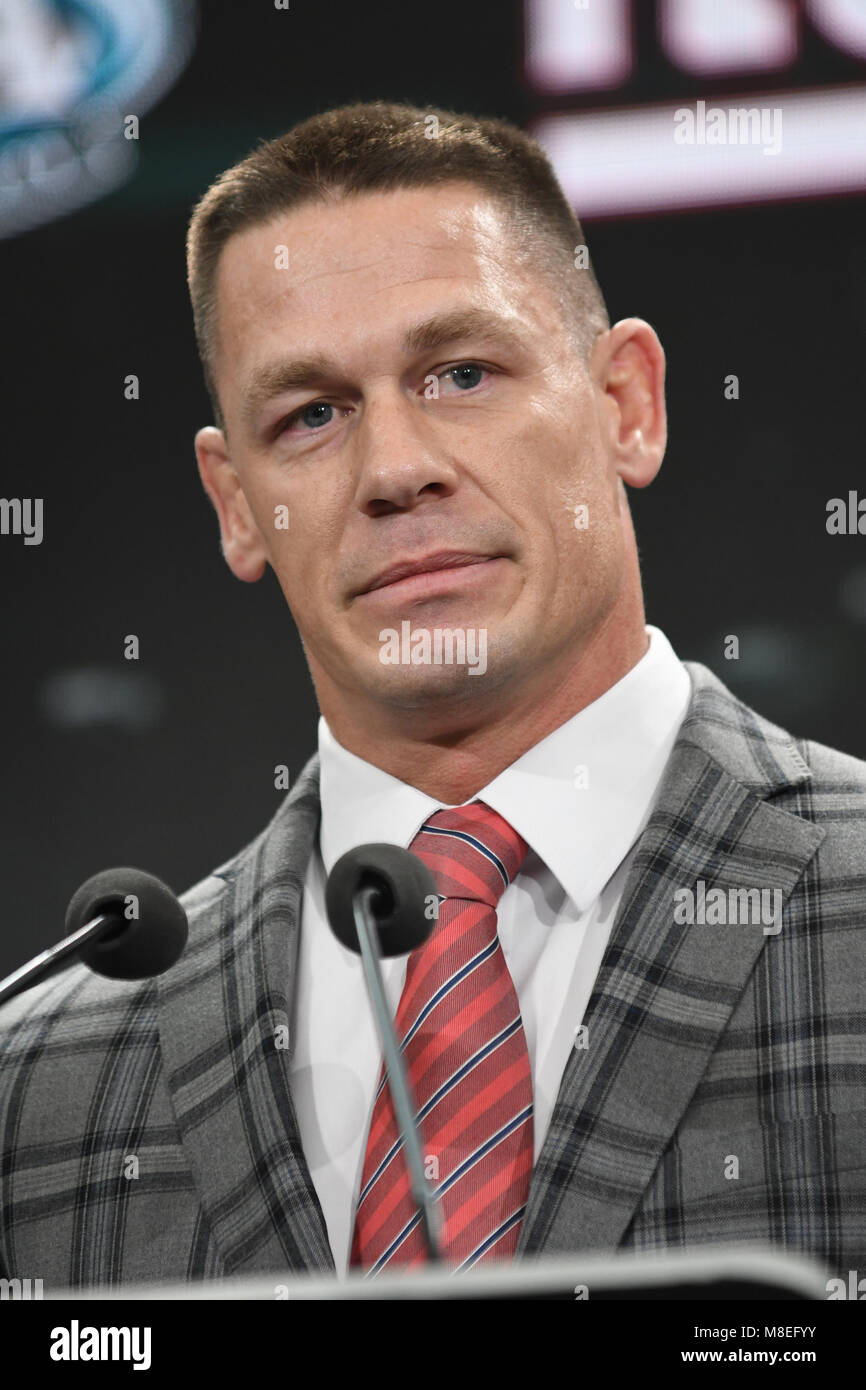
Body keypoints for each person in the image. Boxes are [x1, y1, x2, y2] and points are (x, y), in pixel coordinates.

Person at [1, 102, 864, 1290]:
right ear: (237, 503)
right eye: (311, 414)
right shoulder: (38, 1078)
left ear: (626, 403)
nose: (395, 469)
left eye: (461, 373)